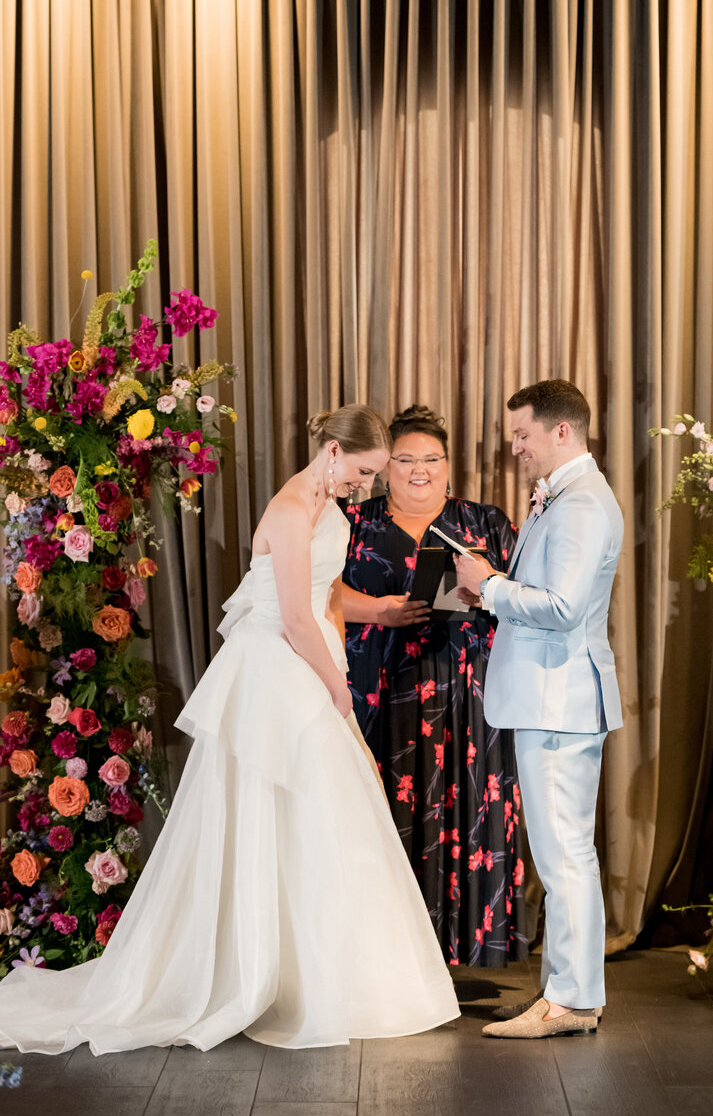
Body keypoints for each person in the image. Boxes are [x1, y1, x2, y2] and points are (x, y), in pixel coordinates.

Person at [0, 404, 460, 1054]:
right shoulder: (294, 508)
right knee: (289, 810)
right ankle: (265, 970)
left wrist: (375, 611)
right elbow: (297, 618)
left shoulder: (328, 505)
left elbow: (325, 593)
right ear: (332, 450)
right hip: (281, 668)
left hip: (301, 660)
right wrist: (339, 690)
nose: (365, 485)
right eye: (363, 471)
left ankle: (321, 975)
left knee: (322, 817)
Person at [455, 380, 623, 1039]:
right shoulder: (567, 495)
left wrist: (490, 586)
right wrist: (492, 589)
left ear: (562, 431)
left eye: (522, 434)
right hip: (556, 698)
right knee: (564, 854)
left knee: (564, 857)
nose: (515, 447)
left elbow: (561, 609)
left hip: (560, 700)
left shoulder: (581, 504)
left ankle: (571, 1001)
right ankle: (570, 994)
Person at [340, 405, 528, 967]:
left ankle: (466, 950)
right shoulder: (353, 520)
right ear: (384, 465)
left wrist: (487, 590)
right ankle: (387, 959)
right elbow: (312, 593)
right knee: (381, 815)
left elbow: (526, 596)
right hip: (380, 690)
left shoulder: (485, 522)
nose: (419, 470)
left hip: (471, 695)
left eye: (432, 459)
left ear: (448, 464)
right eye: (405, 459)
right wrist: (380, 610)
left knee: (472, 810)